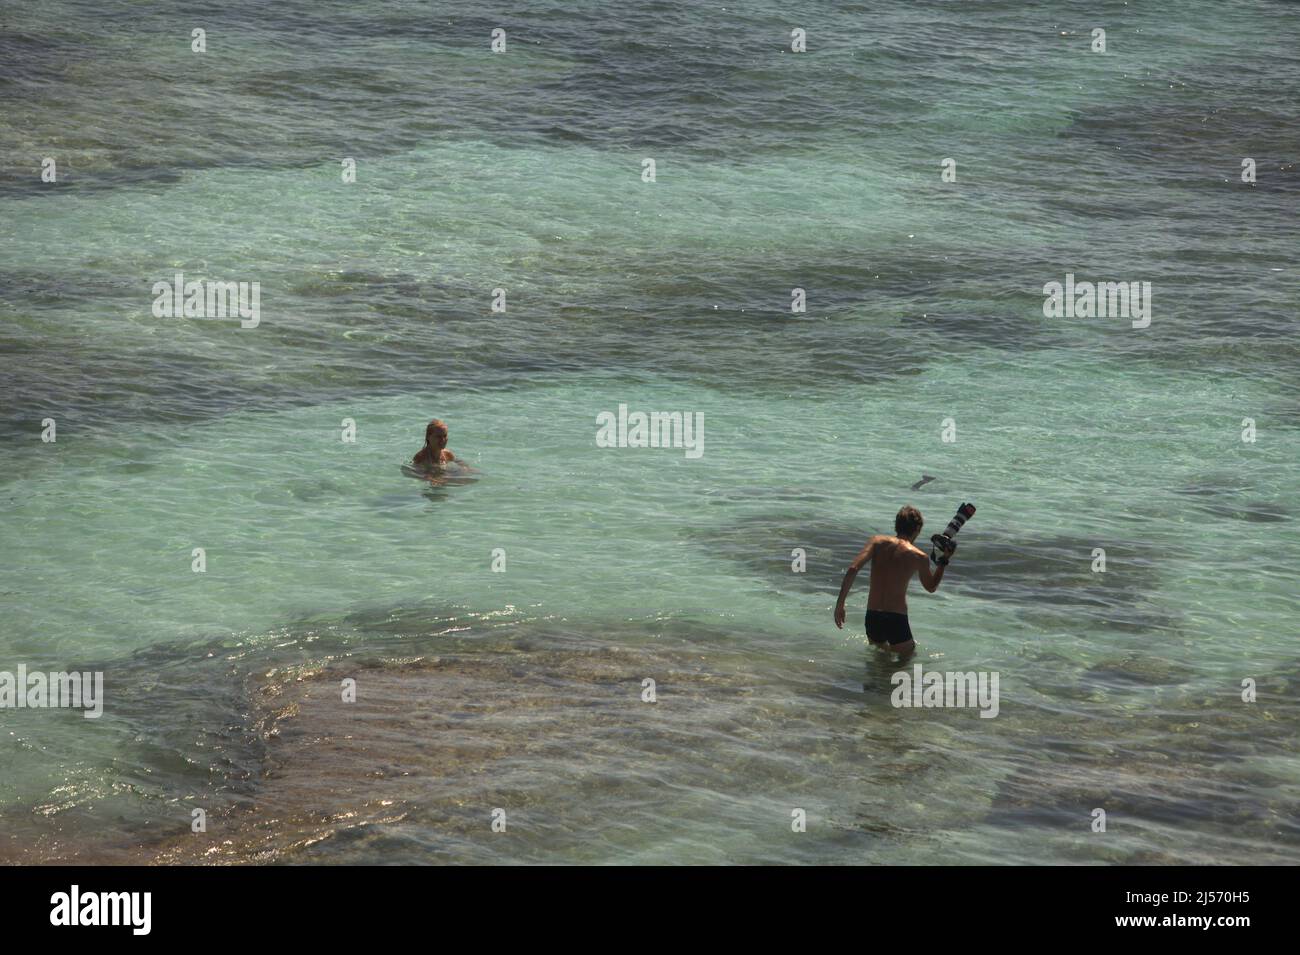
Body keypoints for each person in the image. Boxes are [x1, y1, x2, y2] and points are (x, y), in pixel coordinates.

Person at [832, 505, 957, 659]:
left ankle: (873, 684)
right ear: (917, 528)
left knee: (878, 661)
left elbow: (853, 568)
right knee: (906, 659)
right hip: (896, 619)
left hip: (873, 616)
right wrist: (944, 560)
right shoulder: (919, 556)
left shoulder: (876, 542)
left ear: (897, 524)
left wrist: (840, 604)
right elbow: (931, 587)